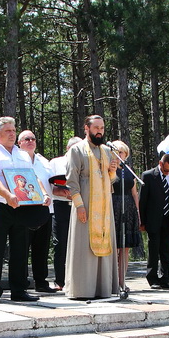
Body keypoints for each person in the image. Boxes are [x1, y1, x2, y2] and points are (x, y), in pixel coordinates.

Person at [0, 116, 49, 303]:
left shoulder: (23, 154)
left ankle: (19, 290)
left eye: (13, 130)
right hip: (0, 206)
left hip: (22, 207)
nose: (12, 134)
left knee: (20, 248)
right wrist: (7, 195)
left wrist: (43, 194)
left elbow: (32, 177)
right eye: (8, 131)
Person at [65, 115, 119, 299]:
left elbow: (111, 180)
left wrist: (112, 171)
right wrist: (79, 205)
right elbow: (72, 181)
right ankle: (82, 289)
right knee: (83, 245)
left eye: (102, 128)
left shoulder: (106, 151)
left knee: (104, 242)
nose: (99, 131)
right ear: (86, 129)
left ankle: (103, 288)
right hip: (85, 203)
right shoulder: (77, 150)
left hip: (104, 206)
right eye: (96, 128)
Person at [18, 129, 57, 293]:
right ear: (19, 143)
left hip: (45, 209)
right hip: (24, 210)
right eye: (26, 139)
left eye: (33, 139)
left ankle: (41, 282)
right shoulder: (16, 159)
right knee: (21, 248)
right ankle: (21, 282)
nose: (30, 141)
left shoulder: (44, 161)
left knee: (41, 248)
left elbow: (52, 184)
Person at [139, 153, 169, 290]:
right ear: (160, 164)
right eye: (166, 170)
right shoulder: (148, 176)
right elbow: (142, 200)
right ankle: (152, 278)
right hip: (153, 219)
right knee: (154, 249)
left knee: (167, 250)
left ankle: (165, 279)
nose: (168, 173)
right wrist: (142, 221)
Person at [48, 137, 81, 290]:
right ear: (68, 149)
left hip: (79, 206)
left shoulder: (85, 162)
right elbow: (49, 186)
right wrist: (62, 192)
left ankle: (77, 280)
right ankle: (60, 280)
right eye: (74, 148)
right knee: (60, 244)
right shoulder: (56, 162)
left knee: (79, 243)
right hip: (60, 206)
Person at [110, 140, 142, 289]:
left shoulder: (129, 170)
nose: (118, 155)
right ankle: (111, 281)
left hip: (128, 208)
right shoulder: (109, 169)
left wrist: (138, 212)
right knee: (114, 246)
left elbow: (134, 193)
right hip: (114, 206)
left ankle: (122, 281)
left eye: (121, 152)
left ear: (126, 154)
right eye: (116, 152)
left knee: (125, 246)